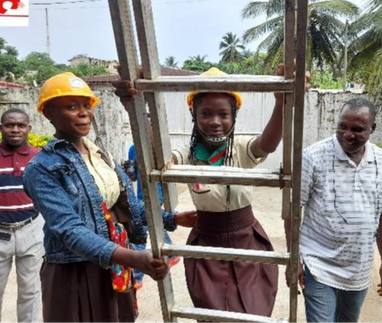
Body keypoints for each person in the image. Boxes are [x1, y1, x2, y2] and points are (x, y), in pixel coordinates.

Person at [23, 72, 194, 323]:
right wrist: (133, 257)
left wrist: (174, 218)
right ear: (48, 112)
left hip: (114, 263)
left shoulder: (101, 155)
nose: (84, 113)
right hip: (77, 269)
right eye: (72, 107)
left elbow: (130, 208)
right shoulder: (43, 168)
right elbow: (68, 229)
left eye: (86, 106)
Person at [114, 66, 285, 317]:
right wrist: (138, 105)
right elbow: (159, 159)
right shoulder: (188, 153)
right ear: (194, 115)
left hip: (246, 238)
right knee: (212, 313)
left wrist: (281, 104)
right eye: (206, 113)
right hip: (205, 239)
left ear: (233, 116)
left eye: (223, 114)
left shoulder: (239, 147)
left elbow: (267, 144)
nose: (215, 121)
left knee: (253, 310)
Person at [285, 98, 382, 323]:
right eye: (342, 126)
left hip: (358, 266)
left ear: (372, 129)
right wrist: (294, 258)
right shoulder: (313, 157)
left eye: (358, 129)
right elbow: (293, 211)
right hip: (318, 262)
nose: (348, 134)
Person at [0, 108, 44, 323]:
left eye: (20, 125)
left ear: (29, 128)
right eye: (10, 125)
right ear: (1, 128)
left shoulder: (40, 157)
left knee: (31, 291)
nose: (15, 129)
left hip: (31, 230)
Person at [126, 145, 180, 271]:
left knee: (142, 226)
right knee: (153, 222)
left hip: (156, 193)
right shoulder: (134, 149)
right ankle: (172, 254)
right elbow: (132, 176)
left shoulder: (158, 148)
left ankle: (137, 274)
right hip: (144, 194)